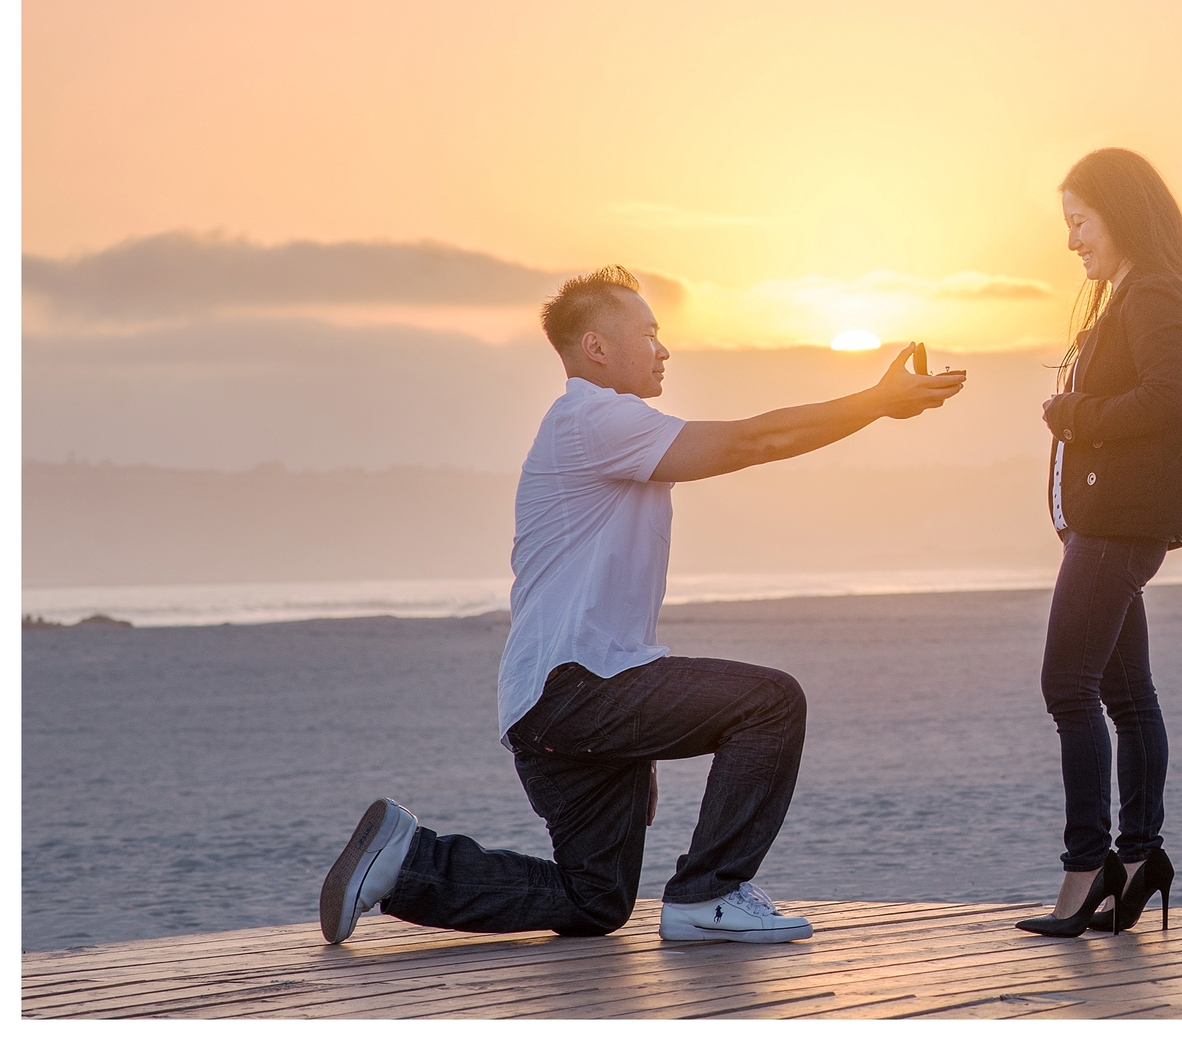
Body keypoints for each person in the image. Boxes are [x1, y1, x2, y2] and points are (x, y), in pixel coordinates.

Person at [319, 265, 966, 947]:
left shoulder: (590, 426)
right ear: (597, 348)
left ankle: (407, 864)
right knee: (770, 702)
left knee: (595, 899)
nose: (664, 350)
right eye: (651, 334)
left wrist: (639, 742)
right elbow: (754, 441)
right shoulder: (596, 418)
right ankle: (709, 894)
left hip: (552, 706)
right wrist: (876, 401)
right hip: (575, 691)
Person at [1015, 149, 1182, 938]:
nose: (1071, 242)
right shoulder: (1136, 293)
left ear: (1119, 215)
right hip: (1109, 527)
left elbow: (1164, 401)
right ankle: (1138, 862)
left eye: (1079, 222)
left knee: (1066, 687)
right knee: (1126, 697)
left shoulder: (1154, 292)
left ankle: (1085, 866)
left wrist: (1074, 413)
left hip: (1116, 531)